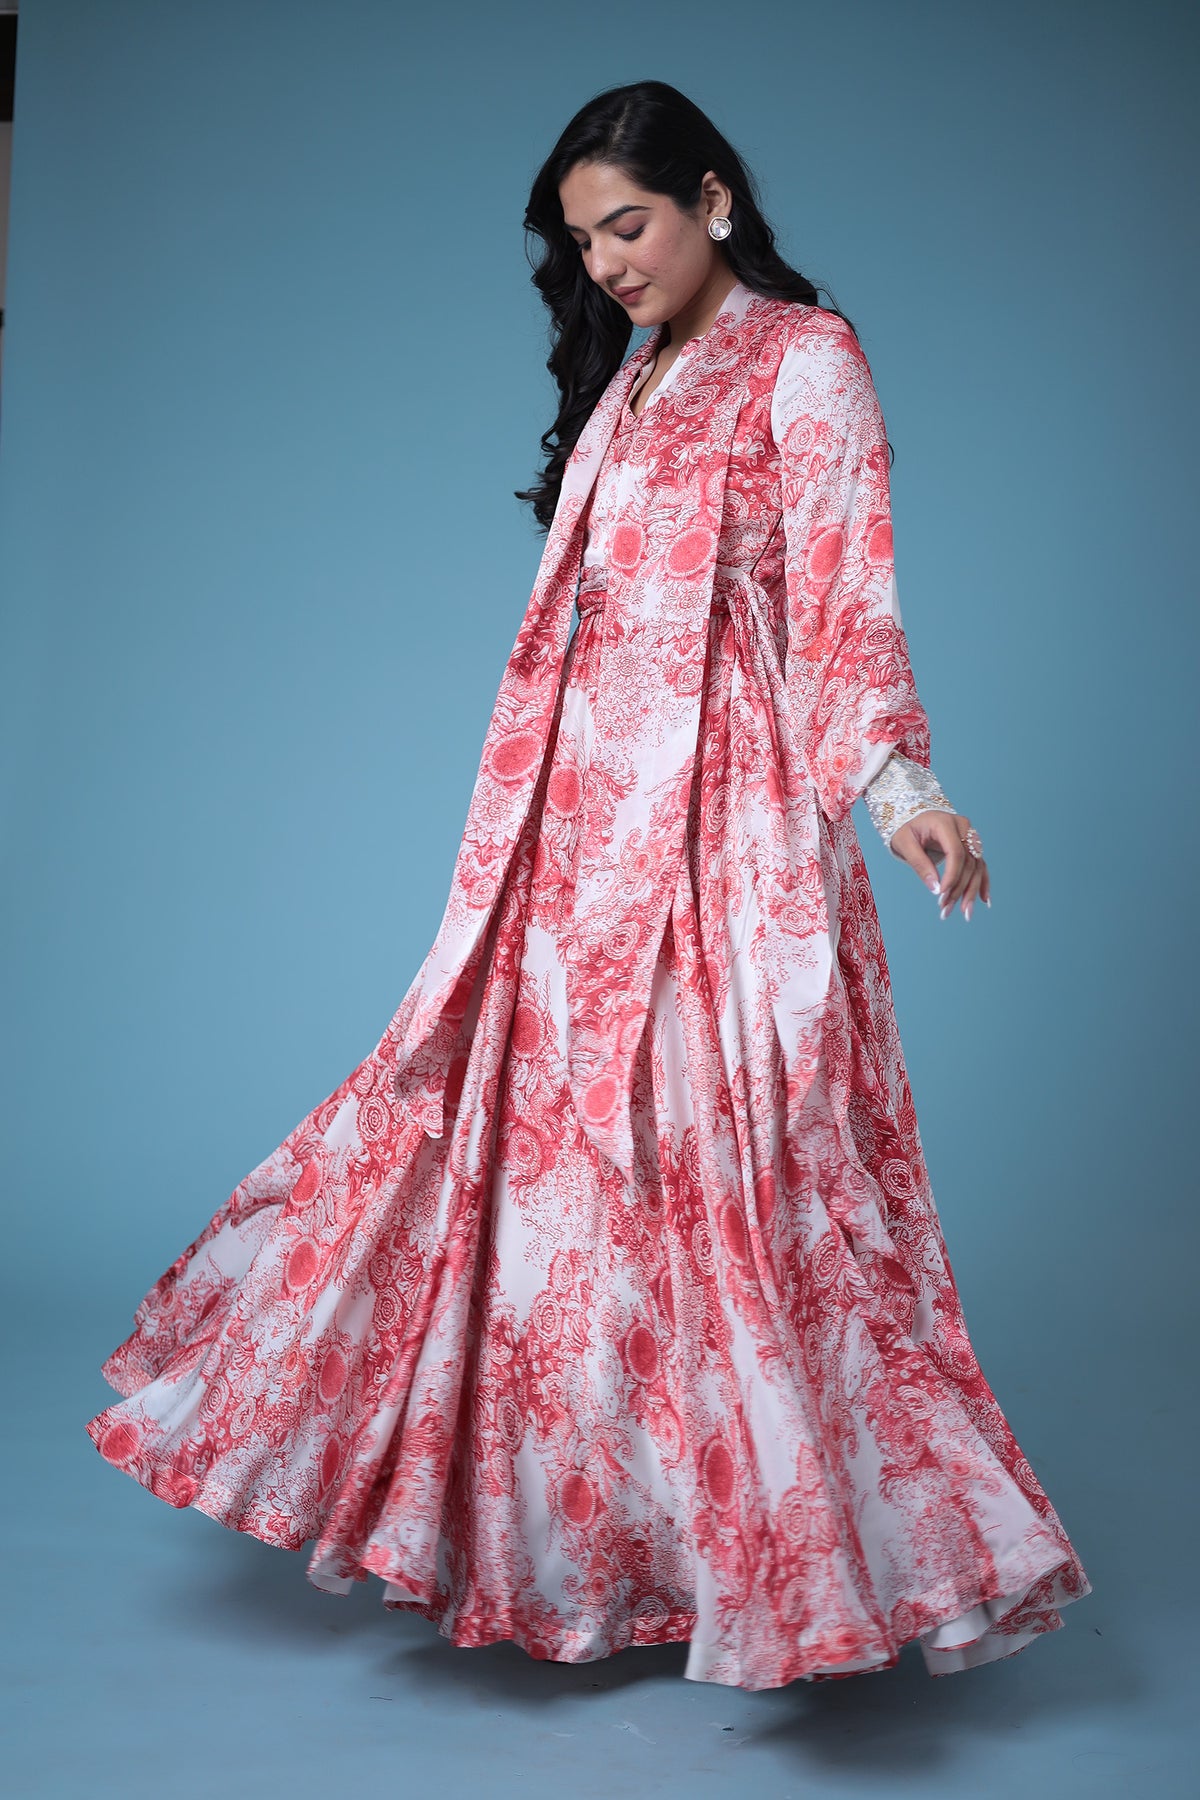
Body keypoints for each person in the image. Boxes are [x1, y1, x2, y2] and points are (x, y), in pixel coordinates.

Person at [86, 79, 1090, 1690]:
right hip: (569, 839)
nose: (609, 263)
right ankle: (606, 1555)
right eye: (583, 241)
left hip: (725, 829)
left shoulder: (806, 360)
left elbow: (846, 598)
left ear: (712, 199)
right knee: (568, 1189)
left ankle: (797, 1563)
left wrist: (902, 791)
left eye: (629, 225)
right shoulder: (634, 377)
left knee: (734, 1168)